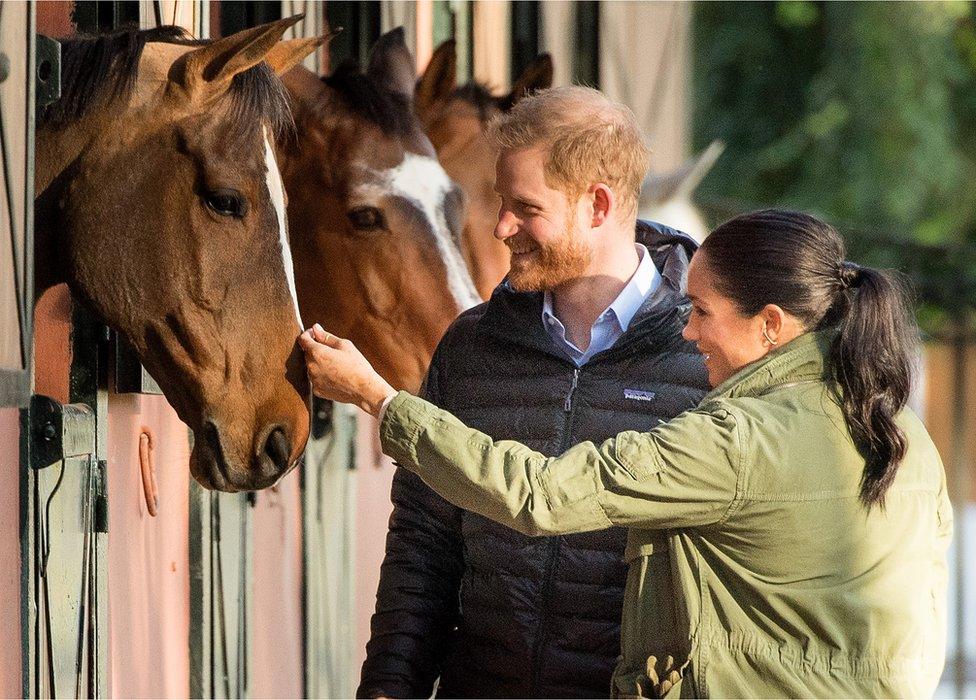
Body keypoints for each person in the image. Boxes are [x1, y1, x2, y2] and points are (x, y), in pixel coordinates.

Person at [299, 209, 952, 698]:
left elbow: (540, 494)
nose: (688, 331)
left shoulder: (740, 439)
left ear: (772, 323)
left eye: (700, 311)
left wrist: (381, 401)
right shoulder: (902, 433)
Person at [350, 86, 708, 698]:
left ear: (598, 205)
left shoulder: (702, 359)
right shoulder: (471, 346)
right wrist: (388, 685)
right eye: (499, 201)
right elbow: (423, 543)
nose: (500, 227)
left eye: (525, 207)